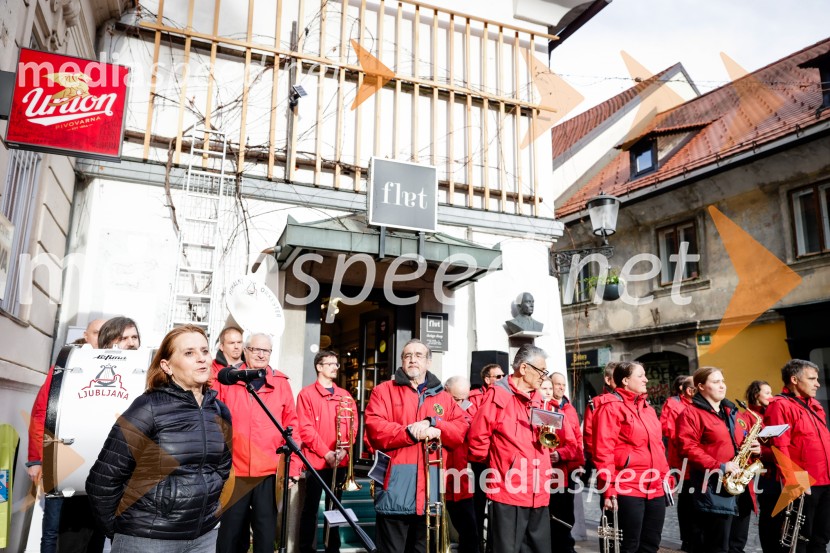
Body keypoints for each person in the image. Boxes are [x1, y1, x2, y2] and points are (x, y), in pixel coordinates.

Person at [85, 325, 232, 552]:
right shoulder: (148, 408)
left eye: (204, 351)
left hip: (203, 538)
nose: (201, 359)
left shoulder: (219, 410)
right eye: (189, 353)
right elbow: (103, 479)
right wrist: (118, 530)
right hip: (147, 538)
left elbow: (221, 468)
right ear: (167, 366)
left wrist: (207, 509)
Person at [364, 339, 469, 553]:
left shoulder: (443, 397)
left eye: (419, 355)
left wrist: (436, 424)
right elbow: (375, 429)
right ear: (402, 361)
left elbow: (460, 430)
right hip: (395, 485)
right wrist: (410, 432)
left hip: (431, 488)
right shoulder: (383, 391)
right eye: (407, 356)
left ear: (428, 362)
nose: (413, 360)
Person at [215, 332, 301, 553]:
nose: (261, 354)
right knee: (230, 537)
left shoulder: (281, 383)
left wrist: (293, 468)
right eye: (256, 349)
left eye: (266, 350)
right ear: (245, 351)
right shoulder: (229, 379)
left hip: (269, 472)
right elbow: (214, 422)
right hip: (235, 471)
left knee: (265, 535)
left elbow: (292, 426)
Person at [26, 318, 106, 553]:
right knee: (52, 528)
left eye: (106, 333)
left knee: (95, 532)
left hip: (98, 465)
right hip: (59, 459)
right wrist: (36, 459)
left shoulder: (120, 368)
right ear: (86, 335)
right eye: (96, 332)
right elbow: (41, 411)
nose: (101, 338)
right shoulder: (67, 364)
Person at [468, 344, 552, 553]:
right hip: (509, 490)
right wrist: (499, 466)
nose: (544, 376)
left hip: (538, 490)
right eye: (541, 371)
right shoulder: (498, 395)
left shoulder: (538, 397)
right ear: (524, 369)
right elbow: (478, 438)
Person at [676, 366, 758, 553]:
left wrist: (755, 450)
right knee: (716, 547)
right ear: (701, 386)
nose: (722, 386)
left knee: (737, 546)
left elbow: (740, 443)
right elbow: (688, 448)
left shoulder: (732, 412)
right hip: (714, 489)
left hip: (740, 488)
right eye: (715, 382)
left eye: (722, 381)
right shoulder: (691, 413)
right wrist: (719, 466)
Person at [593, 361, 669, 553]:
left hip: (655, 488)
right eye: (641, 375)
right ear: (625, 380)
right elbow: (604, 451)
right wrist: (608, 488)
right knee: (628, 546)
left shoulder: (648, 409)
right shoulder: (610, 407)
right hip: (628, 488)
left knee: (651, 544)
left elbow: (659, 446)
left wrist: (665, 476)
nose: (646, 379)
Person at [764, 359, 830, 553]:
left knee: (821, 538)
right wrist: (794, 480)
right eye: (812, 379)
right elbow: (780, 447)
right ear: (794, 379)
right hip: (802, 480)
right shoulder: (779, 405)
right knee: (798, 540)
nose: (817, 383)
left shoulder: (815, 405)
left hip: (825, 479)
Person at [296, 350, 357, 553]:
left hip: (339, 461)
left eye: (336, 364)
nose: (334, 367)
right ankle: (306, 549)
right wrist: (326, 452)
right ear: (319, 367)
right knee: (310, 509)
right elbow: (305, 428)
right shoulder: (306, 394)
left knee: (335, 508)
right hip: (316, 461)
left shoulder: (345, 395)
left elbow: (353, 426)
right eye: (330, 363)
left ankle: (333, 548)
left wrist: (344, 450)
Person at [468, 362, 504, 551]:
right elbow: (476, 425)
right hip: (481, 460)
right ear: (487, 379)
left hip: (499, 458)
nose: (501, 379)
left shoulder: (506, 395)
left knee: (498, 504)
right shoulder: (474, 397)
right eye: (497, 377)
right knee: (479, 502)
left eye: (502, 376)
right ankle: (477, 544)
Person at [545, 372, 583, 553]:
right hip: (550, 474)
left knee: (566, 514)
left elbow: (576, 439)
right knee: (554, 515)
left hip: (567, 469)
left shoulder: (569, 409)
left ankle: (566, 547)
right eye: (556, 384)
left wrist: (578, 462)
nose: (560, 388)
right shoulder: (549, 409)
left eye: (562, 385)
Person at [744, 380, 783, 553]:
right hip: (763, 474)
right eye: (766, 393)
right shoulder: (748, 417)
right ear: (755, 395)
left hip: (777, 471)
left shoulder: (772, 413)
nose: (771, 396)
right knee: (769, 516)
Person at [443, 376, 480, 553]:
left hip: (460, 478)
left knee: (470, 532)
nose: (460, 403)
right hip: (438, 476)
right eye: (455, 398)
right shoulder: (436, 405)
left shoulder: (468, 408)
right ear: (445, 391)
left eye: (463, 399)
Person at [660, 374, 694, 552]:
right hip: (682, 459)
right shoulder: (672, 403)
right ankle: (687, 538)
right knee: (687, 498)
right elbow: (666, 428)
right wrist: (686, 437)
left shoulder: (697, 402)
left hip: (698, 460)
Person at [583, 361, 617, 475]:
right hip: (605, 462)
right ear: (608, 380)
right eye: (618, 377)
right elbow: (589, 433)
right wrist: (595, 460)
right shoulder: (596, 403)